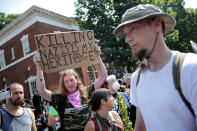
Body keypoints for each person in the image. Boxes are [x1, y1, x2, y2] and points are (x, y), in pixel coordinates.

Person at [113, 4, 197, 131]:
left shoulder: (190, 68)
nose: (127, 39)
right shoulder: (137, 78)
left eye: (134, 28)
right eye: (125, 33)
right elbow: (141, 127)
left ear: (157, 25)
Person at [33, 44, 108, 131]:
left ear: (77, 80)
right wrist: (39, 67)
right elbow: (41, 90)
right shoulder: (59, 98)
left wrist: (98, 56)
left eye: (72, 80)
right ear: (63, 84)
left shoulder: (87, 91)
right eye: (66, 81)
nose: (70, 83)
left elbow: (103, 76)